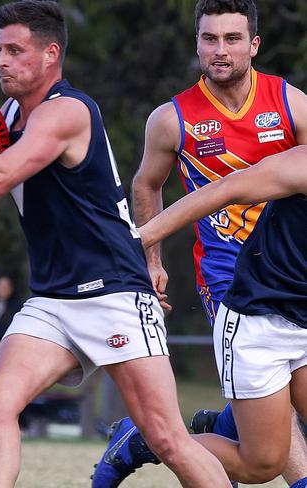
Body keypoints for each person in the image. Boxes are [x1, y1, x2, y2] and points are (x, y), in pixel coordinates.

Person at [0, 2, 231, 487]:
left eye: (15, 50)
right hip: (54, 298)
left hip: (114, 292)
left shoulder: (67, 111)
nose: (1, 60)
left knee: (166, 437)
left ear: (49, 55)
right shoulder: (10, 116)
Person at [121, 0, 307, 485]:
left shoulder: (291, 103)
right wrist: (150, 258)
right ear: (197, 44)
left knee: (265, 417)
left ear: (254, 45)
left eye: (231, 39)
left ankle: (189, 432)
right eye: (209, 39)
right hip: (229, 279)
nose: (220, 51)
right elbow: (146, 185)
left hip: (295, 276)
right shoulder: (172, 119)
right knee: (272, 438)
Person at [126, 143, 307, 484]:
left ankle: (207, 430)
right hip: (259, 323)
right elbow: (226, 189)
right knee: (262, 465)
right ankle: (150, 443)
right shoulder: (303, 165)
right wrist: (135, 244)